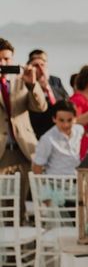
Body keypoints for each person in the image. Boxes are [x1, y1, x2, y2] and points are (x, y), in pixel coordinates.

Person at [0, 38, 47, 214]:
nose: (3, 64)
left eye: (7, 59)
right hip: (2, 153)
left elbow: (40, 107)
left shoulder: (22, 82)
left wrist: (32, 84)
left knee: (19, 207)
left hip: (23, 150)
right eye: (0, 60)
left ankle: (18, 240)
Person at [32, 100, 83, 175]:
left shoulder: (79, 130)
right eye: (61, 120)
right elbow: (37, 166)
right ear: (54, 119)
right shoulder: (47, 139)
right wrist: (42, 186)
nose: (66, 125)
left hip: (77, 181)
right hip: (55, 184)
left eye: (69, 120)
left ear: (75, 118)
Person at [27, 50, 69, 138]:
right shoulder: (25, 89)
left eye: (42, 65)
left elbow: (68, 104)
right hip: (38, 135)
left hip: (60, 135)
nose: (40, 68)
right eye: (36, 66)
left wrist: (48, 89)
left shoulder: (56, 87)